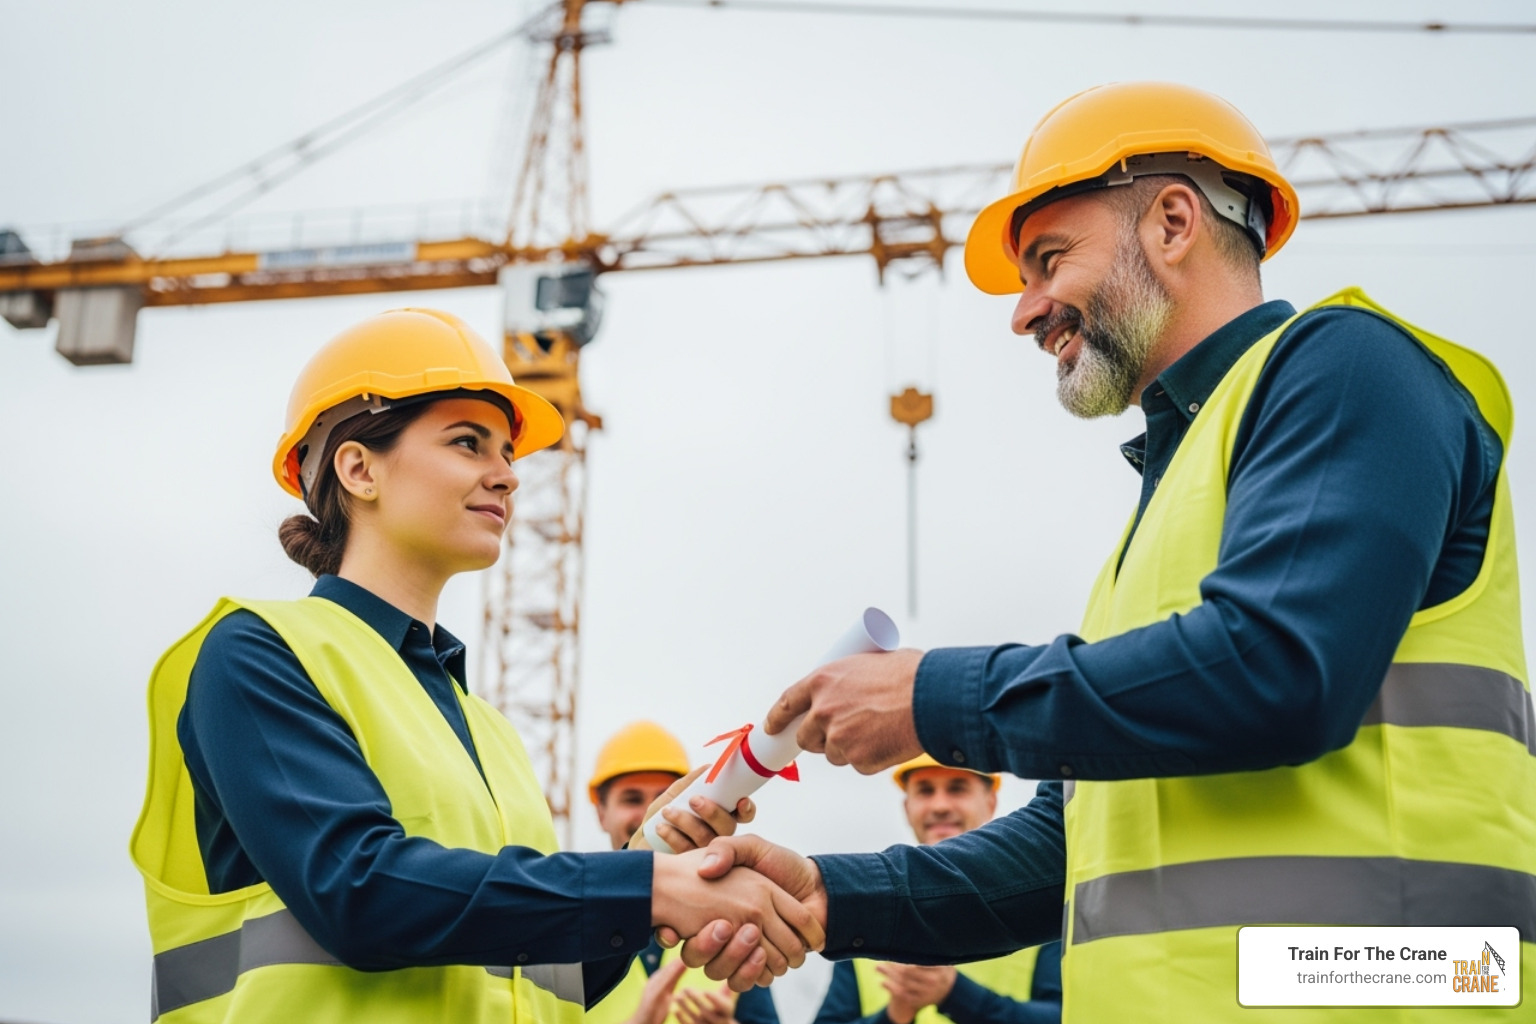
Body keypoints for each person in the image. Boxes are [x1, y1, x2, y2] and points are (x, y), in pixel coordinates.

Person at [670, 82, 1535, 1022]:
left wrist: (934, 697)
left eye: (1049, 260)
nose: (1025, 311)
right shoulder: (1168, 508)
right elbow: (1070, 837)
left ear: (1172, 223)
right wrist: (824, 894)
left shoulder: (1348, 369)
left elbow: (1282, 670)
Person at [129, 308, 822, 1024]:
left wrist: (650, 852)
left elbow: (551, 977)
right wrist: (646, 886)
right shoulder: (260, 652)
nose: (508, 477)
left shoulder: (485, 728)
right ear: (359, 468)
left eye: (509, 456)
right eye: (470, 444)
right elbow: (356, 891)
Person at [811, 755, 1060, 1024]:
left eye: (957, 788)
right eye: (925, 791)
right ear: (907, 808)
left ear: (990, 802)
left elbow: (1069, 1016)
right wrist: (894, 1016)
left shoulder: (1041, 900)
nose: (939, 805)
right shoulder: (867, 921)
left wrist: (954, 993)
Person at [586, 722, 781, 1024]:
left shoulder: (730, 918)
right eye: (632, 799)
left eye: (665, 797)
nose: (650, 811)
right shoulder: (571, 918)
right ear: (601, 813)